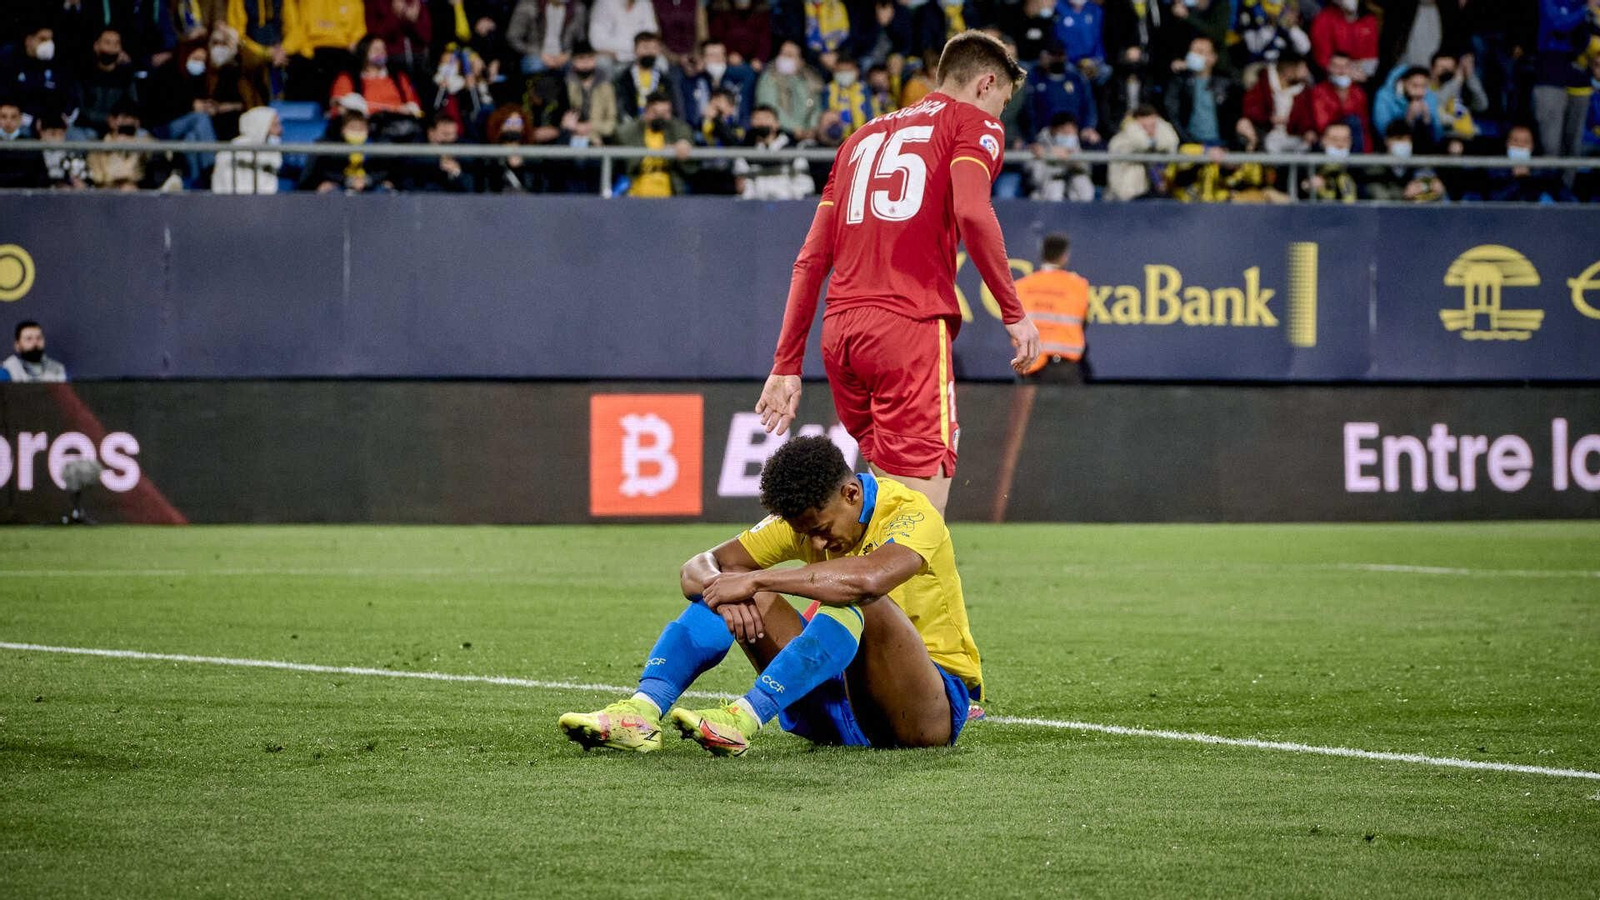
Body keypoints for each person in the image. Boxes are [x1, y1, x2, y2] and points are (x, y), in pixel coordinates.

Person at [756, 31, 1040, 517]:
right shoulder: (974, 124)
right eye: (1002, 102)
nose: (1000, 116)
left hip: (842, 337)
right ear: (985, 83)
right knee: (916, 528)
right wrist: (1013, 313)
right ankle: (773, 589)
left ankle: (797, 588)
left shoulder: (857, 141)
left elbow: (810, 261)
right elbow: (973, 212)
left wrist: (786, 364)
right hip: (906, 329)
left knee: (883, 511)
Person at [558, 436, 984, 756]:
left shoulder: (911, 513)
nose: (815, 544)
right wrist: (733, 588)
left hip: (922, 710)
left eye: (820, 530)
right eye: (804, 534)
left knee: (856, 598)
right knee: (729, 585)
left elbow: (868, 580)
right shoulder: (801, 519)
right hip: (834, 703)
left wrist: (760, 581)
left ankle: (743, 717)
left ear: (851, 494)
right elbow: (700, 566)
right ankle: (641, 710)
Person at [1014, 233, 1088, 384]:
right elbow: (1084, 321)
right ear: (1064, 256)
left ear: (1042, 255)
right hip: (1065, 369)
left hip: (1031, 367)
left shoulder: (1022, 286)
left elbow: (1013, 325)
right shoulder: (1078, 286)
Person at [282, 0, 366, 102]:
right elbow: (298, 27)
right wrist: (287, 49)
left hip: (343, 52)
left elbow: (358, 34)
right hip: (310, 52)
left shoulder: (353, 3)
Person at [1164, 35, 1239, 147]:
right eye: (1192, 51)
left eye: (1200, 52)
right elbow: (1173, 115)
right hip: (1190, 146)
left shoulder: (1226, 84)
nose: (1193, 55)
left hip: (1222, 146)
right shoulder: (1179, 82)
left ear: (1212, 58)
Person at [1288, 50, 1372, 151]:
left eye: (1345, 66)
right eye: (1336, 66)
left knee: (1354, 122)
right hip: (1323, 139)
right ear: (1329, 68)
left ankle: (1355, 164)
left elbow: (1364, 126)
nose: (1341, 71)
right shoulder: (1316, 92)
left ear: (1351, 69)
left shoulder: (1359, 94)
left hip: (1350, 141)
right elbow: (1309, 121)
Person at [615, 89, 695, 195]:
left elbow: (684, 133)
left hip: (669, 196)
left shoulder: (676, 129)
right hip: (637, 196)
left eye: (666, 113)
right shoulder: (630, 131)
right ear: (646, 111)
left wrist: (683, 143)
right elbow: (617, 136)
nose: (661, 118)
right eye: (656, 113)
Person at [733, 103, 812, 198]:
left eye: (767, 118)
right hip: (756, 207)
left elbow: (804, 184)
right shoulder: (745, 152)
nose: (762, 123)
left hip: (788, 206)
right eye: (757, 119)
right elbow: (745, 188)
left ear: (777, 123)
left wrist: (789, 201)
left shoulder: (793, 149)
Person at [1106, 102, 1180, 200]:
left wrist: (1160, 124)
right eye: (1145, 126)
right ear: (1136, 123)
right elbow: (1143, 143)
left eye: (1154, 126)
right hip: (1127, 195)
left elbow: (1172, 141)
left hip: (1149, 192)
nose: (1151, 131)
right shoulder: (1120, 140)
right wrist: (1131, 125)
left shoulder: (1158, 140)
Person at [1487, 122, 1577, 202]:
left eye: (1525, 142)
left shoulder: (1545, 172)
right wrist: (1517, 179)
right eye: (1515, 141)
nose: (1520, 146)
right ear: (1507, 144)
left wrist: (1528, 180)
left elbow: (1566, 200)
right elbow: (1492, 200)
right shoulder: (1494, 171)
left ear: (1532, 146)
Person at [0, 22, 70, 126]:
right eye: (42, 39)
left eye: (50, 40)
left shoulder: (56, 64)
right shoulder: (9, 60)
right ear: (29, 40)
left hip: (46, 125)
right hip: (15, 123)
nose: (48, 44)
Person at [1359, 121, 1445, 200]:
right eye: (1398, 139)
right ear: (1386, 141)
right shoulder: (1376, 164)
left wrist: (1422, 187)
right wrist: (1405, 194)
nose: (1402, 143)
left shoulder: (1418, 162)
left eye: (1406, 139)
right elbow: (1379, 194)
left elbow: (1436, 186)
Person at [755, 39, 821, 139]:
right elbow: (770, 107)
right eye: (782, 54)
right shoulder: (769, 78)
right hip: (780, 133)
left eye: (790, 55)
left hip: (807, 135)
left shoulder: (811, 81)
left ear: (801, 62)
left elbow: (816, 109)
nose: (785, 58)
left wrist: (811, 129)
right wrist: (794, 128)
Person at [211, 105, 284, 193]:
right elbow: (222, 185)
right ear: (261, 126)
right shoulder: (228, 152)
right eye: (275, 125)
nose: (281, 130)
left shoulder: (273, 150)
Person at [613, 31, 682, 118]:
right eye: (645, 47)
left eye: (654, 48)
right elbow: (620, 107)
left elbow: (675, 108)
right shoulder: (623, 78)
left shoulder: (666, 80)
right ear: (635, 49)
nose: (649, 52)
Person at [507, 0, 588, 74]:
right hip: (535, 54)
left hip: (565, 55)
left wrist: (568, 54)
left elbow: (581, 40)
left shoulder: (578, 8)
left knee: (582, 65)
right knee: (535, 64)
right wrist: (539, 54)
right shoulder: (528, 5)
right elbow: (513, 37)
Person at [1027, 112, 1093, 201]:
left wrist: (1073, 161)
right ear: (1053, 131)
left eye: (1071, 132)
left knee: (1082, 182)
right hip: (1045, 196)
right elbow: (1036, 179)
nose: (1068, 135)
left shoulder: (1078, 146)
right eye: (1064, 131)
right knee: (1055, 185)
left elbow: (1088, 170)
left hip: (1073, 195)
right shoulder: (1039, 147)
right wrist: (1050, 156)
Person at [1310, 0, 1380, 83]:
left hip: (1364, 76)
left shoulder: (1369, 20)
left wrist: (1361, 71)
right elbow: (1322, 59)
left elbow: (1372, 57)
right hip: (1332, 77)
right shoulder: (1324, 19)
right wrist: (1344, 70)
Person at [403, 113, 476, 190]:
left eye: (454, 134)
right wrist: (439, 161)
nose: (451, 139)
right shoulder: (416, 149)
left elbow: (470, 188)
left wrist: (456, 172)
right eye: (446, 134)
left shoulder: (462, 152)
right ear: (431, 133)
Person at [587, 0, 659, 65]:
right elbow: (597, 41)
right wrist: (639, 47)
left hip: (640, 56)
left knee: (660, 63)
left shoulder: (645, 4)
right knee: (602, 62)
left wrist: (642, 49)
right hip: (613, 58)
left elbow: (651, 35)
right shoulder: (604, 3)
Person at [1303, 120, 1359, 202]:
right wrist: (1306, 185)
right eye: (1334, 139)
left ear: (1351, 142)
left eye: (1345, 140)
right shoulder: (1306, 165)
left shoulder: (1361, 169)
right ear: (1323, 140)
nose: (1340, 144)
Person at [4, 321, 68, 383]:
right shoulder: (9, 368)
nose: (35, 342)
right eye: (29, 339)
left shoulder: (56, 369)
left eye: (39, 338)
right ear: (17, 346)